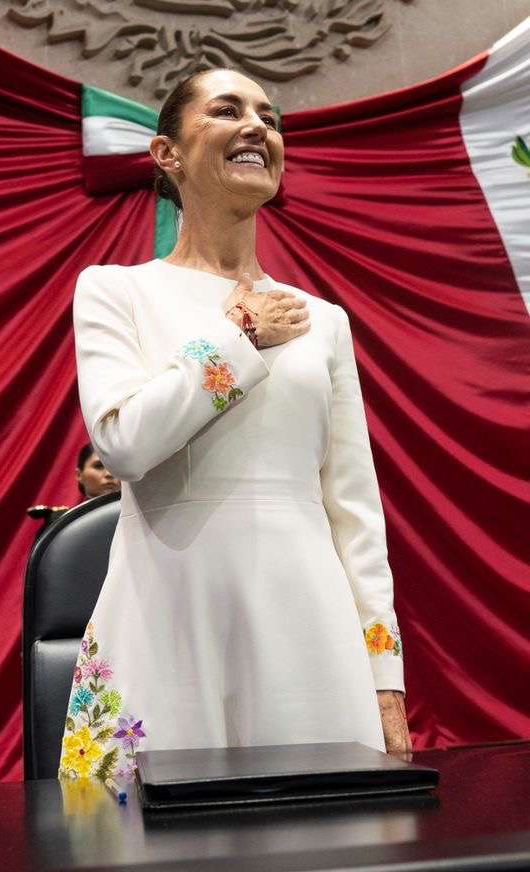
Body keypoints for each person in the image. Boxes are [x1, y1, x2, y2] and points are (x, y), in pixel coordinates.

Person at [61, 67, 407, 786]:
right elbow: (124, 444)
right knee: (146, 844)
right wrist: (239, 339)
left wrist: (385, 674)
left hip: (308, 623)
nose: (258, 127)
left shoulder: (325, 321)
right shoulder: (115, 291)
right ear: (167, 155)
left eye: (271, 118)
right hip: (167, 614)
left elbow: (355, 512)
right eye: (227, 111)